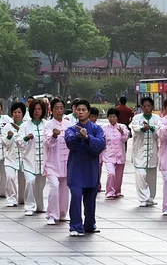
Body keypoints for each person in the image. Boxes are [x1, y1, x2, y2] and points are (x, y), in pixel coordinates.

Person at [66, 99, 106, 236]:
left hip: (91, 169)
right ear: (75, 111)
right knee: (76, 197)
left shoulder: (97, 129)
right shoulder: (71, 129)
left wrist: (88, 137)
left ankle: (89, 224)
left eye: (84, 110)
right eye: (78, 110)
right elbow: (69, 142)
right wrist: (79, 136)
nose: (81, 112)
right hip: (76, 168)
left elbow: (100, 145)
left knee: (90, 200)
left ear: (88, 112)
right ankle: (75, 226)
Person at [16, 99, 47, 215]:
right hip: (29, 160)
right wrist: (26, 138)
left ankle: (40, 205)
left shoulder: (46, 125)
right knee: (30, 181)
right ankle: (29, 206)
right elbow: (18, 141)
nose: (37, 111)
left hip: (43, 160)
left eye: (39, 109)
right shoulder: (25, 125)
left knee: (40, 184)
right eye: (35, 109)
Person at [43, 98, 71, 225]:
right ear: (51, 110)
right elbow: (48, 143)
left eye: (61, 108)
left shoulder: (68, 124)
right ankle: (51, 214)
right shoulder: (48, 125)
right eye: (56, 108)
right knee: (54, 187)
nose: (59, 110)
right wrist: (54, 135)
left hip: (66, 162)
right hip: (52, 162)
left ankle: (63, 212)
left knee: (64, 189)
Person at [130, 97, 162, 207]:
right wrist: (143, 128)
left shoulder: (157, 118)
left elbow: (160, 131)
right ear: (141, 107)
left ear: (152, 107)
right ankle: (143, 198)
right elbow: (135, 128)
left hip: (153, 152)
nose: (147, 108)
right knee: (141, 174)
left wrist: (152, 128)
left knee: (151, 177)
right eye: (144, 106)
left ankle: (151, 197)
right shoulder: (137, 118)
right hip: (139, 152)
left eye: (149, 106)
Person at [101, 108, 129, 199]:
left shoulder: (123, 127)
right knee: (111, 173)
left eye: (114, 117)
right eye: (110, 117)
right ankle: (109, 192)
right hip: (109, 155)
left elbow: (125, 139)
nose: (112, 119)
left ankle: (117, 191)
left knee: (119, 175)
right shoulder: (104, 127)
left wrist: (122, 133)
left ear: (117, 117)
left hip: (120, 154)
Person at [2, 102, 27, 207]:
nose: (17, 114)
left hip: (24, 157)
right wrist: (8, 137)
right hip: (10, 157)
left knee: (24, 180)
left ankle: (22, 198)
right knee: (10, 177)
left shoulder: (27, 126)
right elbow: (4, 143)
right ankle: (11, 199)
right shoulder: (7, 127)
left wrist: (19, 131)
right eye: (15, 112)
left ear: (23, 113)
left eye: (19, 112)